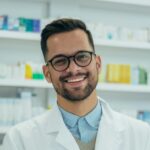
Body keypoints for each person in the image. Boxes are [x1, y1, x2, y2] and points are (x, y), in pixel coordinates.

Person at [2, 18, 150, 150]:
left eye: (82, 57)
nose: (73, 69)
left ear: (98, 64)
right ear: (47, 74)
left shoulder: (142, 135)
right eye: (60, 61)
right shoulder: (19, 140)